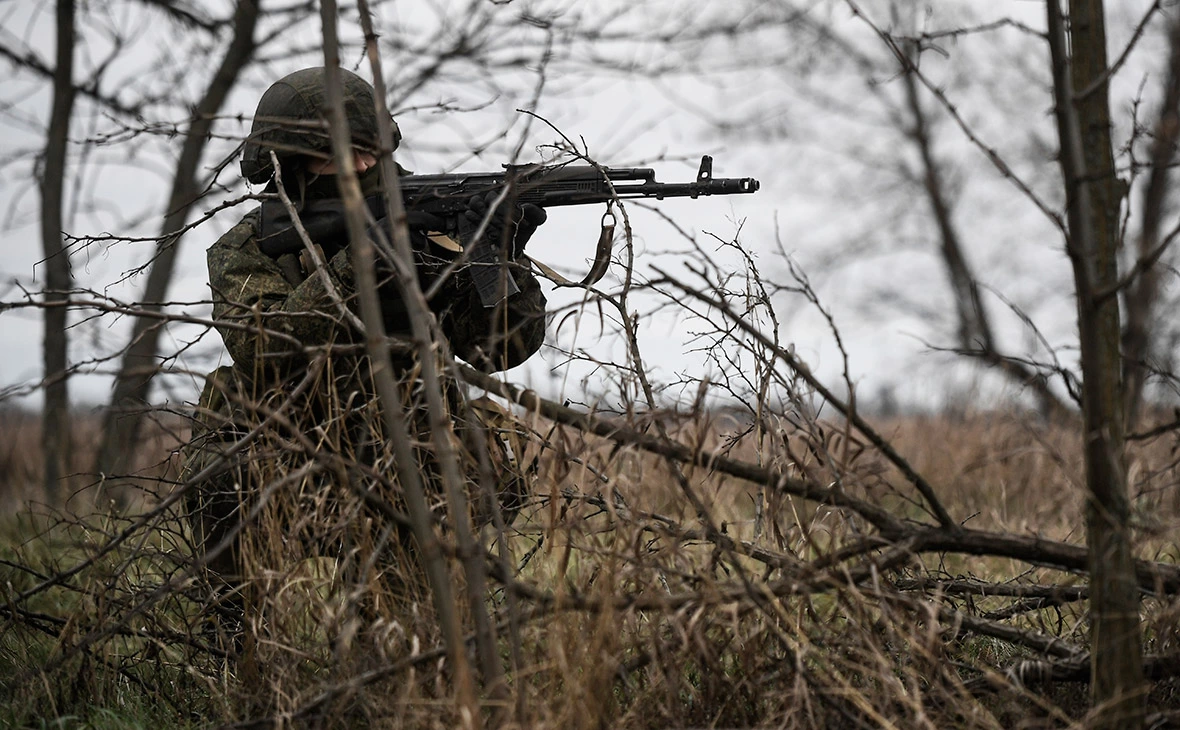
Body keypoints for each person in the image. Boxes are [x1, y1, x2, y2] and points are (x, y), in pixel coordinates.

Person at [182, 67, 547, 638]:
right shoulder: (250, 246)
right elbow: (263, 348)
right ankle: (236, 643)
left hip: (406, 446)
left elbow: (502, 350)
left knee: (403, 641)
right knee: (220, 472)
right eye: (334, 155)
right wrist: (363, 262)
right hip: (291, 450)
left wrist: (498, 261)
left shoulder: (428, 228)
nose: (357, 167)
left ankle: (399, 646)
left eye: (367, 151)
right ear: (286, 165)